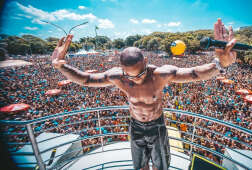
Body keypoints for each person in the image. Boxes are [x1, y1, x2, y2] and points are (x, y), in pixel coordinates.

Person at [51, 18, 236, 170]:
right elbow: (86, 80)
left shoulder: (160, 74)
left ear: (146, 61)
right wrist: (62, 66)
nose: (136, 79)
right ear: (122, 69)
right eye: (129, 75)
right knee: (140, 166)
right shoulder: (117, 76)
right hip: (135, 126)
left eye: (140, 74)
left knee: (161, 165)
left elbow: (195, 73)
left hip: (157, 126)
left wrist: (220, 64)